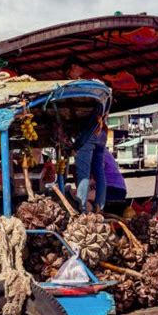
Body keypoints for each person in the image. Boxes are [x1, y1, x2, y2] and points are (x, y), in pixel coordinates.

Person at [62, 55, 111, 212]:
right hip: (102, 132)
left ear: (72, 68)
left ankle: (82, 209)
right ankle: (99, 206)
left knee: (83, 170)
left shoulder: (79, 86)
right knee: (98, 170)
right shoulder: (97, 86)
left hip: (90, 132)